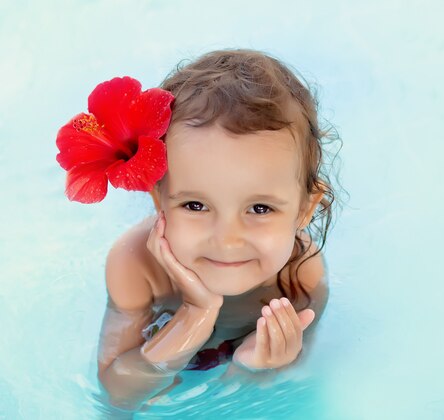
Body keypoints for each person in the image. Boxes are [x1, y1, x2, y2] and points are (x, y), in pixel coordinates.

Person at [55, 48, 341, 410]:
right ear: (159, 199)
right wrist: (195, 312)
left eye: (260, 208)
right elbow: (117, 398)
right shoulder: (136, 266)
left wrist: (252, 372)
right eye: (195, 205)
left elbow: (283, 393)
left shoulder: (303, 277)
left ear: (304, 210)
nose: (227, 239)